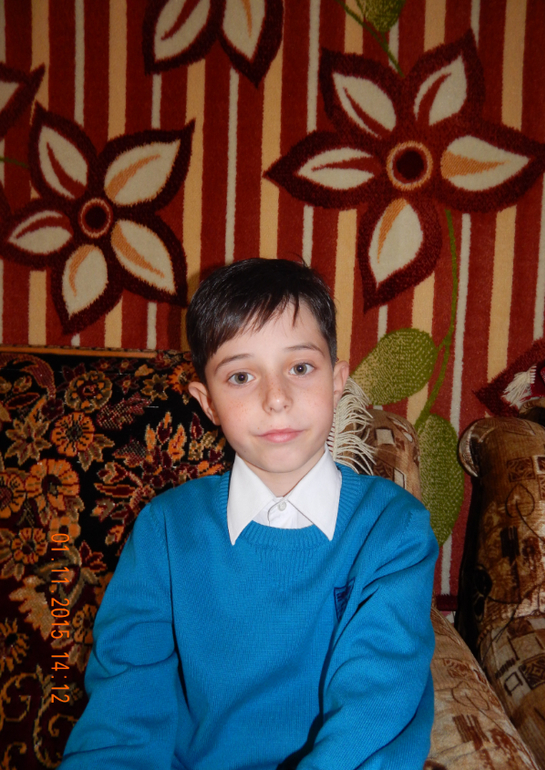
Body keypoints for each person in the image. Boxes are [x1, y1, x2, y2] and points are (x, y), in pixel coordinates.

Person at [61, 258, 438, 769]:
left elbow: (377, 704)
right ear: (208, 403)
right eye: (241, 376)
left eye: (300, 368)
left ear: (337, 381)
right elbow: (124, 707)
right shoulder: (165, 531)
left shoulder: (393, 529)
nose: (276, 398)